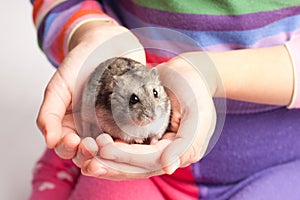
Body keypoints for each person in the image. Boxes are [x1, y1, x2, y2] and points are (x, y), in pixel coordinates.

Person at [30, 0, 300, 199]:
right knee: (101, 179)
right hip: (136, 160)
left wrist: (210, 74)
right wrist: (89, 30)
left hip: (281, 161)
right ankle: (74, 159)